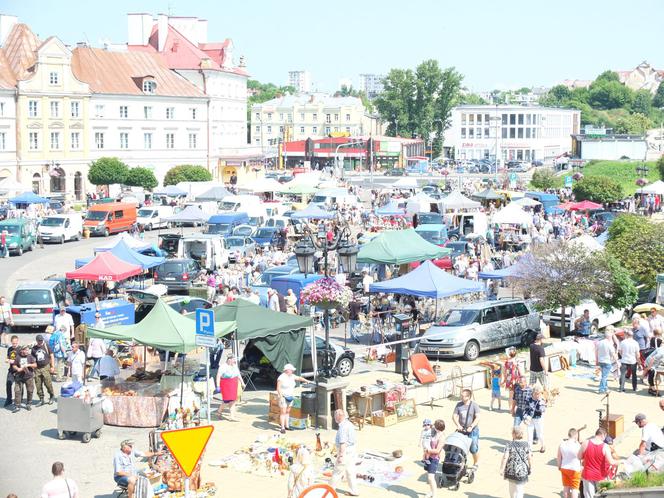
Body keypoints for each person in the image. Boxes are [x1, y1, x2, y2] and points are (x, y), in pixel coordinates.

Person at [578, 427, 616, 498]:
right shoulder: (605, 446)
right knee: (602, 495)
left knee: (589, 496)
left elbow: (579, 457)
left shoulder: (586, 443)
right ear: (603, 435)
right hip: (601, 475)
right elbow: (611, 462)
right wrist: (620, 462)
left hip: (587, 474)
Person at [330, 409, 359, 496]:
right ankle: (354, 491)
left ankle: (329, 490)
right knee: (350, 471)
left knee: (337, 472)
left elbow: (343, 443)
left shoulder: (343, 427)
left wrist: (341, 455)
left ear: (339, 416)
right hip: (351, 450)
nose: (334, 417)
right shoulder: (348, 424)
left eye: (335, 415)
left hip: (345, 451)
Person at [499, 426, 531, 498]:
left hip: (511, 470)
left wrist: (502, 468)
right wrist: (530, 467)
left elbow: (505, 457)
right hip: (522, 470)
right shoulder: (526, 444)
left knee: (512, 488)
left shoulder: (509, 445)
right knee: (520, 489)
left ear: (514, 434)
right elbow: (529, 458)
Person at [452, 388, 480, 468]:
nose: (461, 397)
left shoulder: (474, 405)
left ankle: (476, 462)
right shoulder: (458, 405)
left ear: (468, 397)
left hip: (473, 430)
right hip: (462, 430)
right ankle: (462, 462)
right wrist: (458, 425)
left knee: (473, 448)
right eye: (461, 396)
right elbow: (454, 416)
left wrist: (471, 426)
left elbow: (478, 417)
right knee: (461, 447)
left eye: (463, 396)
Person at [276, 363, 307, 434]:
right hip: (283, 397)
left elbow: (299, 378)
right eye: (291, 370)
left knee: (287, 411)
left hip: (290, 396)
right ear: (287, 370)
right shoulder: (281, 377)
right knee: (283, 412)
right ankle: (282, 428)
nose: (292, 371)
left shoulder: (292, 376)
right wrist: (280, 397)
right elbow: (278, 388)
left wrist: (306, 381)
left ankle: (287, 426)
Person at [215, 354, 243, 421]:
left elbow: (238, 374)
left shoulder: (234, 366)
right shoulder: (223, 367)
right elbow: (218, 376)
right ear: (229, 360)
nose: (234, 362)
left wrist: (242, 382)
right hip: (225, 384)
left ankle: (232, 416)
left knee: (233, 400)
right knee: (226, 401)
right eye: (233, 360)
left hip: (233, 384)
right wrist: (218, 386)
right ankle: (219, 411)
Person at [31, 335, 55, 406]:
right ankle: (41, 399)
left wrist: (52, 366)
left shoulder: (46, 346)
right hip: (37, 368)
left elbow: (52, 356)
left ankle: (51, 396)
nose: (41, 342)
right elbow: (32, 358)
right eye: (39, 340)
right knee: (38, 385)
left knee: (48, 383)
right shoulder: (34, 348)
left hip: (45, 367)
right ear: (37, 341)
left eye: (41, 340)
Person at [11, 345, 37, 412]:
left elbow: (35, 365)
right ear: (22, 350)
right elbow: (14, 365)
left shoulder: (30, 356)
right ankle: (17, 406)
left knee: (30, 390)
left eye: (28, 350)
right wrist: (18, 369)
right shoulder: (18, 357)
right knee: (17, 391)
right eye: (26, 350)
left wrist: (29, 365)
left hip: (29, 377)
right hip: (19, 377)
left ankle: (28, 404)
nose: (27, 351)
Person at [424, 419, 445, 498]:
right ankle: (431, 491)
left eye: (434, 425)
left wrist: (427, 450)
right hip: (428, 457)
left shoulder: (442, 437)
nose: (433, 426)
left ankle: (435, 494)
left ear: (437, 428)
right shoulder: (435, 431)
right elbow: (429, 427)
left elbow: (437, 451)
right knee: (429, 477)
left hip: (434, 459)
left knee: (430, 477)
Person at [557, 428, 581, 498]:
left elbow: (559, 456)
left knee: (566, 487)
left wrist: (559, 466)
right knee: (575, 489)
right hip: (575, 469)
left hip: (564, 467)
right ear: (576, 436)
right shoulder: (577, 445)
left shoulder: (562, 444)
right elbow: (580, 457)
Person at [524, 386, 547, 453]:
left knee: (540, 434)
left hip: (538, 419)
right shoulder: (528, 399)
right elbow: (526, 409)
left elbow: (543, 410)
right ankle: (529, 449)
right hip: (530, 419)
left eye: (538, 394)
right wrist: (525, 418)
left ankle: (543, 445)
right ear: (532, 393)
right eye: (536, 393)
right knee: (529, 434)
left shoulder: (541, 400)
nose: (537, 395)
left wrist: (540, 404)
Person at [596, 328, 617, 394]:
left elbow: (596, 351)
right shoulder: (609, 344)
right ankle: (601, 389)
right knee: (604, 376)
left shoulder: (599, 342)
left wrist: (597, 360)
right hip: (607, 361)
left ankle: (605, 388)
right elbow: (613, 354)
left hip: (601, 361)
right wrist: (617, 362)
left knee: (604, 375)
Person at [4, 334, 19, 407]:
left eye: (15, 343)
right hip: (11, 370)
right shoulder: (10, 349)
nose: (14, 345)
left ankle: (19, 399)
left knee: (18, 386)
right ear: (11, 342)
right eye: (13, 343)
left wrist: (15, 362)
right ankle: (9, 399)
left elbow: (24, 360)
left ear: (18, 342)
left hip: (19, 370)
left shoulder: (20, 349)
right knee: (8, 384)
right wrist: (7, 360)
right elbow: (7, 357)